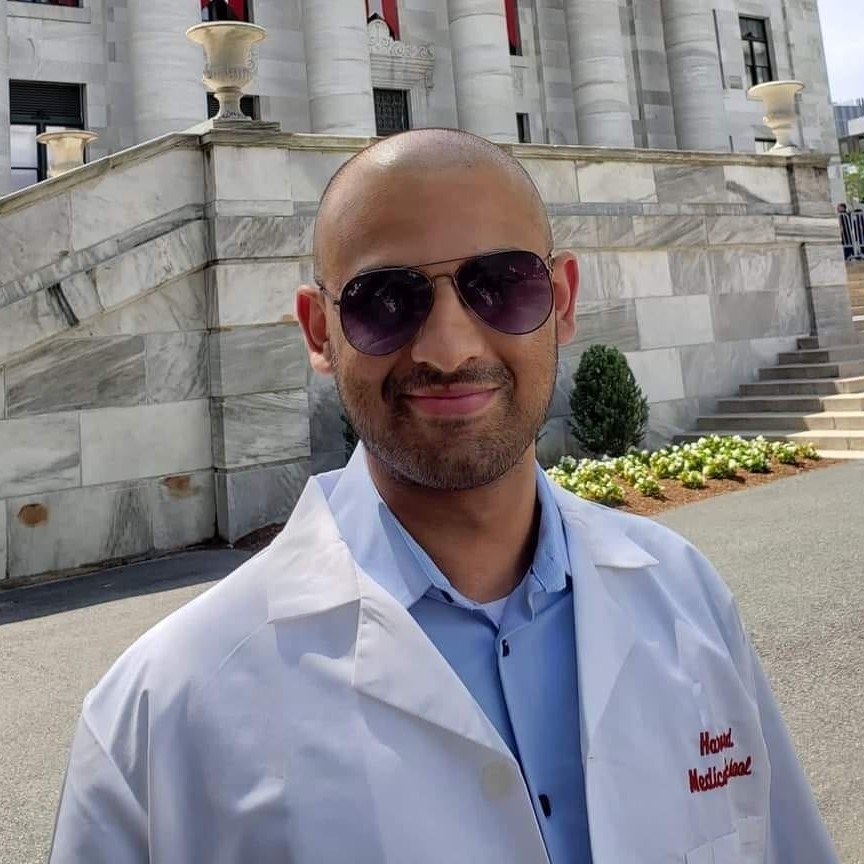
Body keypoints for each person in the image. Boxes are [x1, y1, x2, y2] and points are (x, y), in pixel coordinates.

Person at [49, 129, 838, 863]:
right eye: (383, 301)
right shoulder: (164, 709)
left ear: (562, 301)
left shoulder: (687, 595)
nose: (450, 348)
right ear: (319, 332)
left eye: (501, 285)